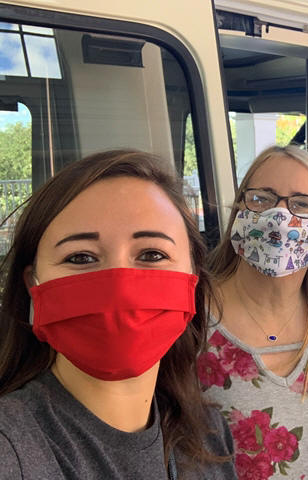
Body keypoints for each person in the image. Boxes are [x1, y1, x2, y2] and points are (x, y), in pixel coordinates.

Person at [0, 150, 236, 479]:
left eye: (152, 254)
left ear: (192, 277)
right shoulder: (10, 449)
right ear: (33, 284)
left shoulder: (209, 435)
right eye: (80, 258)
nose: (120, 288)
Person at [197, 145, 308, 479]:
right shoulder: (190, 319)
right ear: (239, 209)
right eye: (262, 199)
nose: (280, 217)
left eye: (302, 204)